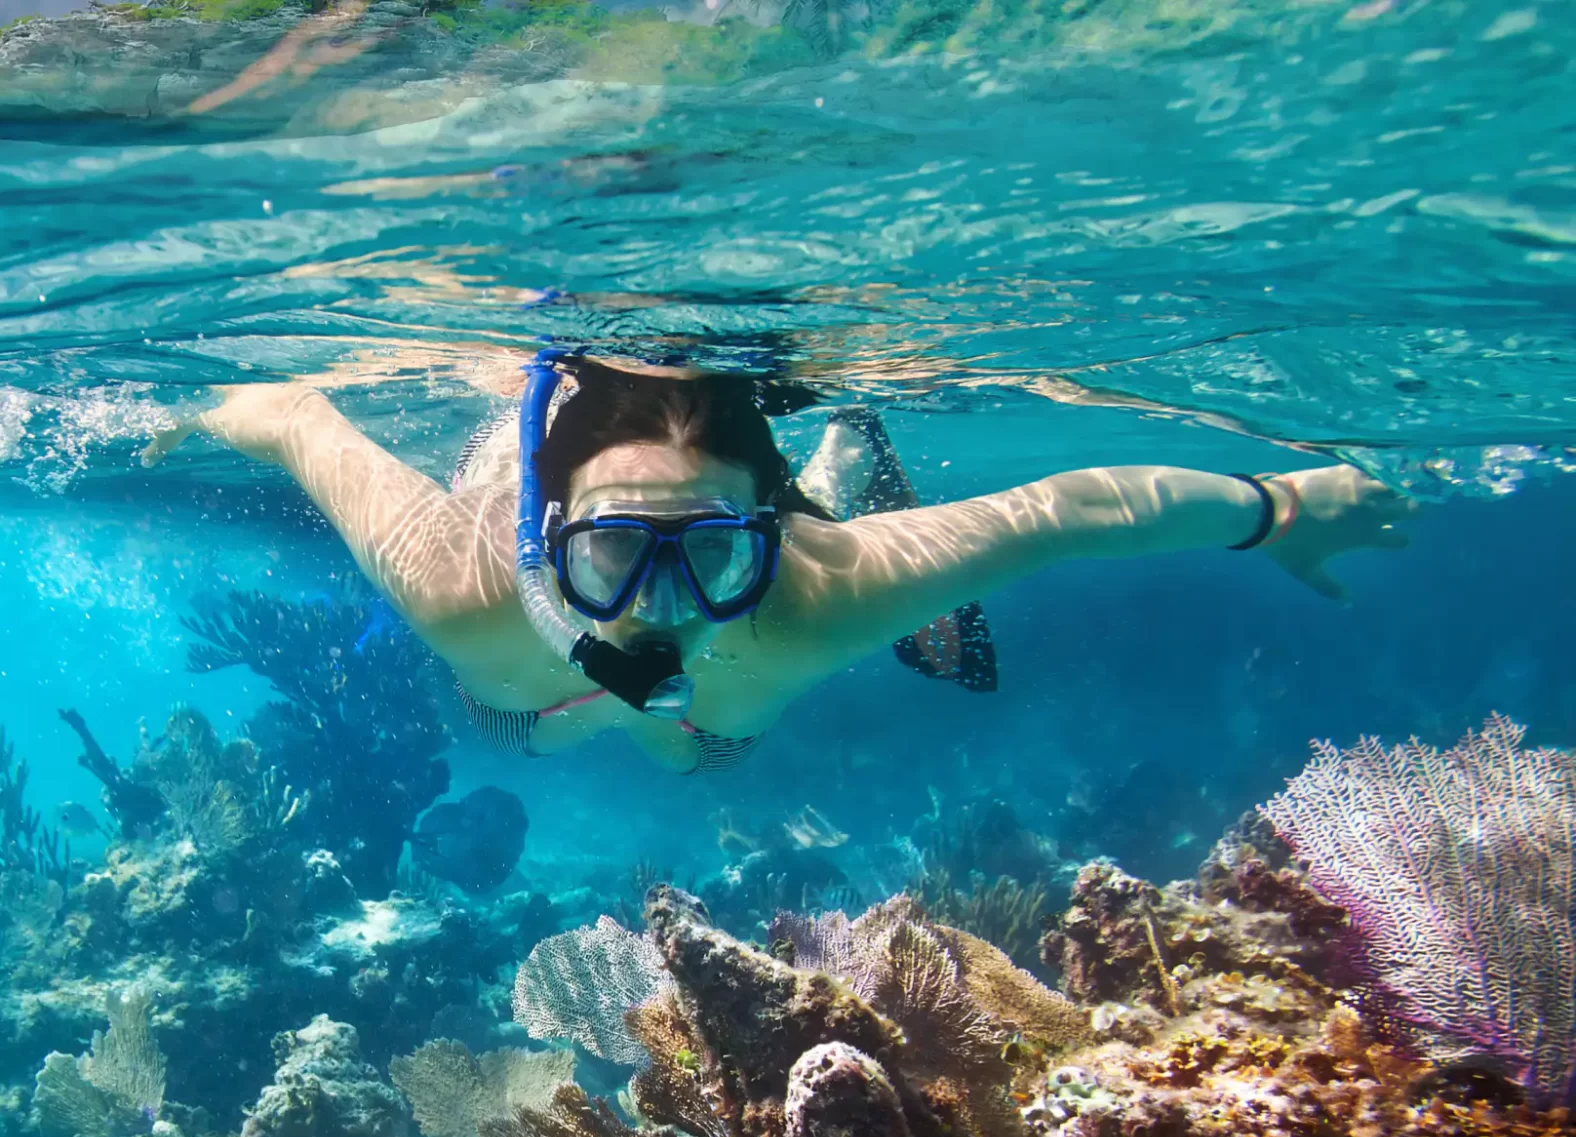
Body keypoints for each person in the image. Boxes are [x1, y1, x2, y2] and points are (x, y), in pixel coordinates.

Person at [141, 353, 1414, 774]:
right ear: (547, 539)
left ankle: (837, 464)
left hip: (728, 676)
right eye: (613, 550)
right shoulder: (459, 584)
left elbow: (1066, 510)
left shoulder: (819, 588)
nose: (656, 604)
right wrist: (185, 412)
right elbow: (296, 414)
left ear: (769, 535)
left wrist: (1279, 508)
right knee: (512, 724)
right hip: (527, 694)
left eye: (708, 552)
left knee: (700, 749)